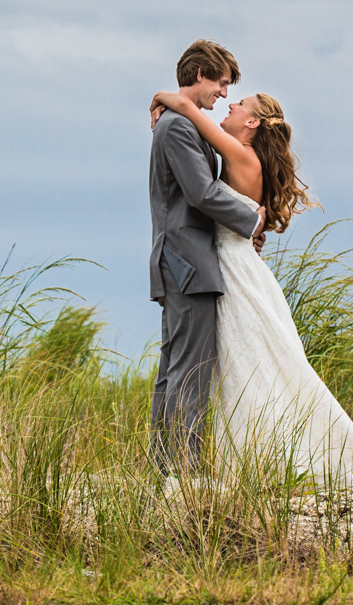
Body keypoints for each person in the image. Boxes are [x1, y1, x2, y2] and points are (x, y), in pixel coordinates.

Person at [150, 85, 353, 485]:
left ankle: (250, 457)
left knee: (245, 359)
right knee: (247, 358)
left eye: (239, 104)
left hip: (231, 265)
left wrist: (160, 96)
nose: (230, 102)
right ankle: (225, 458)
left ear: (252, 122)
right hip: (230, 260)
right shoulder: (241, 155)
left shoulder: (238, 152)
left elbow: (188, 108)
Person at [146, 39, 266, 475]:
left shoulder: (179, 122)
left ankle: (166, 470)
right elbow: (201, 192)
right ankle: (185, 471)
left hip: (181, 261)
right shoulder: (178, 127)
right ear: (200, 75)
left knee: (175, 367)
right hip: (187, 261)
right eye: (220, 83)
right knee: (191, 369)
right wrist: (251, 220)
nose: (223, 94)